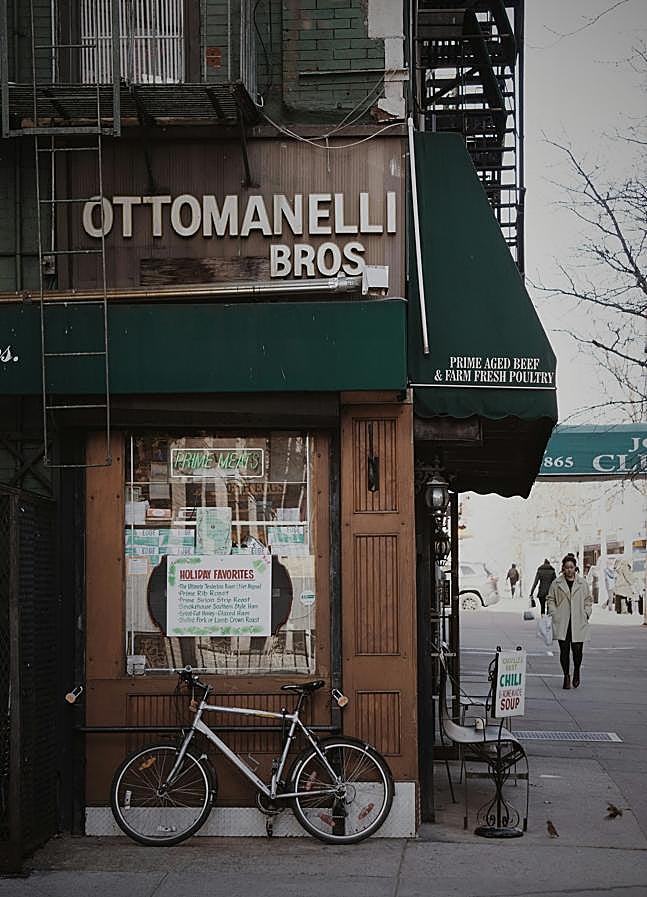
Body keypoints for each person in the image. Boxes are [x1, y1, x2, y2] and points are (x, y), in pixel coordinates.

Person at [546, 553, 592, 690]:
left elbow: (588, 600)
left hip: (578, 621)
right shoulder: (557, 583)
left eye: (571, 567)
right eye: (566, 567)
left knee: (577, 652)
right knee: (564, 651)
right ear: (563, 568)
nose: (569, 570)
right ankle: (566, 675)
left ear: (575, 568)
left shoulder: (582, 583)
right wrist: (554, 613)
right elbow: (550, 599)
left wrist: (586, 613)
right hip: (563, 622)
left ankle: (577, 671)